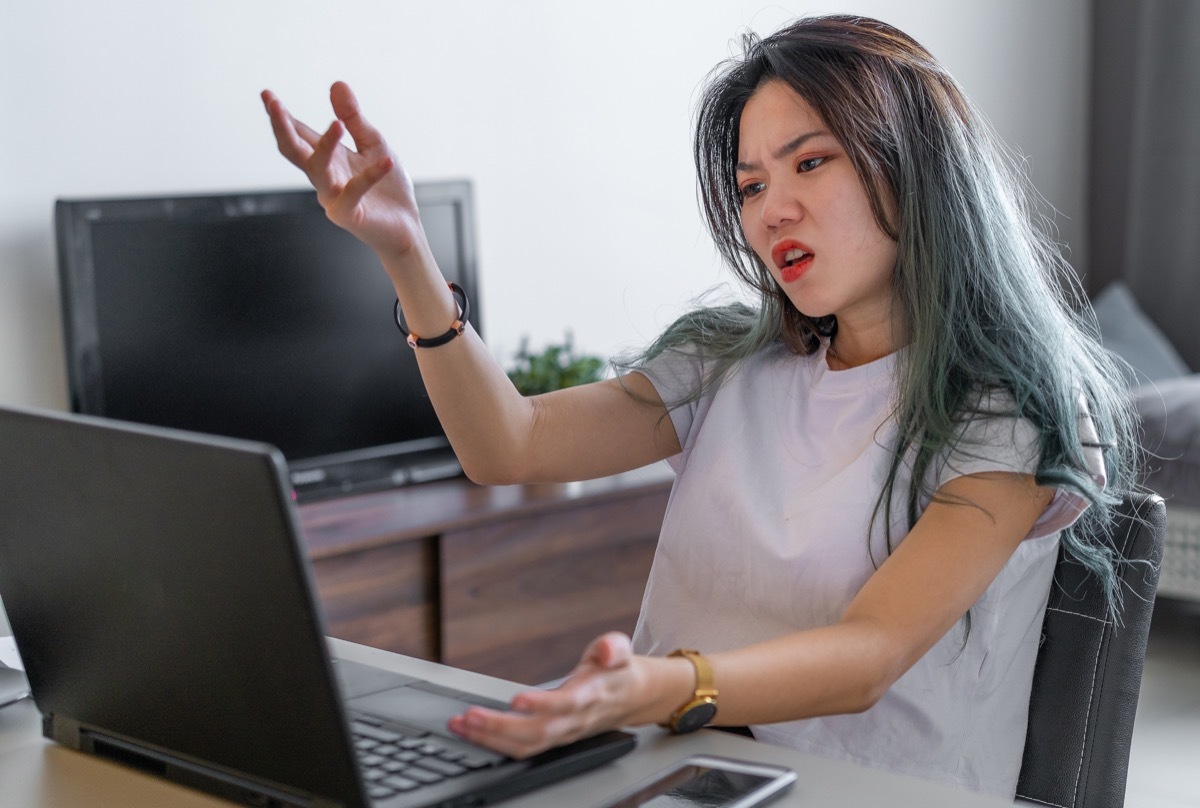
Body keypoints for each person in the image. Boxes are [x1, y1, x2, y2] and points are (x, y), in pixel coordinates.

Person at [262, 14, 1138, 797]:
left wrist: (658, 687)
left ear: (915, 166)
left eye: (810, 161)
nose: (772, 211)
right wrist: (408, 256)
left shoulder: (1008, 410)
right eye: (751, 185)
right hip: (674, 770)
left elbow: (869, 654)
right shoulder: (731, 361)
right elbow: (511, 446)